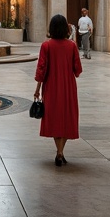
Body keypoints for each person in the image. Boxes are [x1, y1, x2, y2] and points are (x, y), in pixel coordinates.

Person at [34, 13, 82, 167]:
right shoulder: (72, 46)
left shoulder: (46, 46)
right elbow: (78, 70)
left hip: (51, 86)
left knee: (54, 117)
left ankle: (59, 151)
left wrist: (37, 90)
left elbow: (41, 69)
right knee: (67, 116)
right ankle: (60, 152)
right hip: (68, 86)